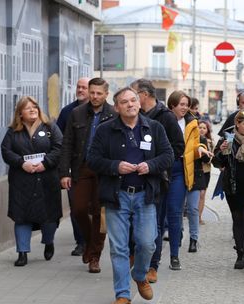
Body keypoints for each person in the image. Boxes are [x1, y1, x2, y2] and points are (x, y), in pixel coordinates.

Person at [87, 87, 173, 304]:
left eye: (133, 100)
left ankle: (139, 274)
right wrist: (116, 166)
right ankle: (123, 294)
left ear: (139, 102)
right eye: (124, 102)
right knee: (119, 248)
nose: (130, 104)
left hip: (145, 195)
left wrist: (150, 165)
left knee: (147, 243)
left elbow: (168, 155)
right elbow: (93, 160)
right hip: (117, 196)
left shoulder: (154, 127)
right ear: (117, 107)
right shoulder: (106, 130)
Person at [59, 77, 116, 273]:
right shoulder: (76, 113)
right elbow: (66, 144)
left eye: (99, 93)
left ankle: (94, 256)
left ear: (106, 94)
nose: (94, 96)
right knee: (78, 209)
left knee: (99, 215)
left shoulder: (114, 114)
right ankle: (89, 244)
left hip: (105, 171)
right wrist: (64, 172)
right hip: (81, 168)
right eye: (92, 92)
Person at [130, 79, 184, 283]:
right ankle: (135, 256)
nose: (131, 100)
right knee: (132, 222)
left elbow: (178, 147)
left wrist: (158, 161)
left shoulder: (166, 118)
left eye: (134, 95)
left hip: (157, 178)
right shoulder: (134, 116)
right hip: (133, 177)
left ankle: (153, 265)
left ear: (143, 94)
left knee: (156, 224)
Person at [1, 96, 63, 267]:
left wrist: (45, 164)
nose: (33, 109)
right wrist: (22, 163)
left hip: (47, 179)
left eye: (34, 106)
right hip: (22, 181)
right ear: (20, 113)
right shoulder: (13, 132)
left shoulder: (50, 127)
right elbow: (6, 151)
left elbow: (59, 148)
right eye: (28, 108)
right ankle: (22, 252)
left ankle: (48, 241)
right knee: (21, 216)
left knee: (49, 216)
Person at [167, 91, 212, 262]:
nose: (185, 108)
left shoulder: (191, 122)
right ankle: (175, 237)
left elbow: (196, 143)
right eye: (181, 104)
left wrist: (199, 148)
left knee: (189, 208)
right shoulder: (165, 121)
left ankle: (191, 240)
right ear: (172, 105)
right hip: (170, 167)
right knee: (174, 209)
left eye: (186, 104)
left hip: (189, 168)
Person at [213, 110, 244, 271]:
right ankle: (240, 254)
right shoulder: (228, 138)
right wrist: (222, 151)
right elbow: (216, 161)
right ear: (237, 124)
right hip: (232, 186)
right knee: (237, 218)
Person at [56, 77, 89, 257]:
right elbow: (61, 142)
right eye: (79, 87)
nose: (81, 90)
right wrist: (64, 170)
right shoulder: (68, 112)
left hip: (97, 170)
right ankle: (81, 242)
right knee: (77, 207)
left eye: (84, 87)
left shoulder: (107, 112)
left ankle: (93, 241)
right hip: (75, 169)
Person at [198, 120, 214, 225]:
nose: (202, 130)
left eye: (204, 128)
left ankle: (199, 216)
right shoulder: (193, 140)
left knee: (202, 194)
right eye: (200, 127)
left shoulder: (211, 142)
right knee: (195, 194)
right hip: (195, 170)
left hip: (206, 170)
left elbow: (212, 156)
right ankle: (193, 214)